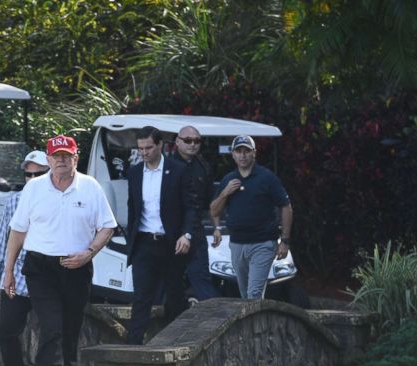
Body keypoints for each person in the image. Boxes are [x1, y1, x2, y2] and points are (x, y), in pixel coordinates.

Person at [2, 135, 116, 366]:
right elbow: (18, 231)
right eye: (57, 156)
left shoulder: (90, 187)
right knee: (51, 327)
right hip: (40, 267)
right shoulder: (34, 189)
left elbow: (107, 227)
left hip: (76, 268)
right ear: (49, 160)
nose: (62, 160)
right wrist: (8, 271)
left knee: (69, 333)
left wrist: (88, 253)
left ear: (76, 158)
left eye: (67, 155)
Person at [0, 150, 49, 366]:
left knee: (52, 335)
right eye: (28, 174)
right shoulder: (15, 200)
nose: (32, 179)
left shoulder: (58, 197)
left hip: (48, 277)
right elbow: (4, 236)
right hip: (17, 278)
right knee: (7, 331)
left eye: (38, 174)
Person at [125, 127, 198, 344]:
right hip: (144, 242)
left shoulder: (178, 170)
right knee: (141, 297)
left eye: (148, 147)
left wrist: (186, 234)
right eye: (140, 149)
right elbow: (133, 209)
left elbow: (191, 207)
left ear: (160, 146)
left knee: (175, 296)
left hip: (171, 242)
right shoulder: (135, 173)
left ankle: (178, 344)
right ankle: (133, 348)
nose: (144, 152)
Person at [210, 135, 293, 299]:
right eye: (238, 151)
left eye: (246, 151)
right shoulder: (228, 180)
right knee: (245, 294)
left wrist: (285, 240)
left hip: (263, 243)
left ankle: (254, 324)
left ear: (254, 153)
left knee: (254, 293)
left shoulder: (267, 178)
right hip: (236, 244)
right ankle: (255, 324)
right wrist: (225, 193)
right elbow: (214, 211)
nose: (242, 155)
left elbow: (286, 207)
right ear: (233, 154)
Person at [167, 125, 219, 300]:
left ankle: (212, 320)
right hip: (172, 230)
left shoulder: (203, 166)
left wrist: (216, 227)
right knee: (169, 279)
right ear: (177, 142)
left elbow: (210, 201)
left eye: (197, 141)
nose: (193, 144)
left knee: (201, 276)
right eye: (188, 140)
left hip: (196, 230)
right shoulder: (167, 166)